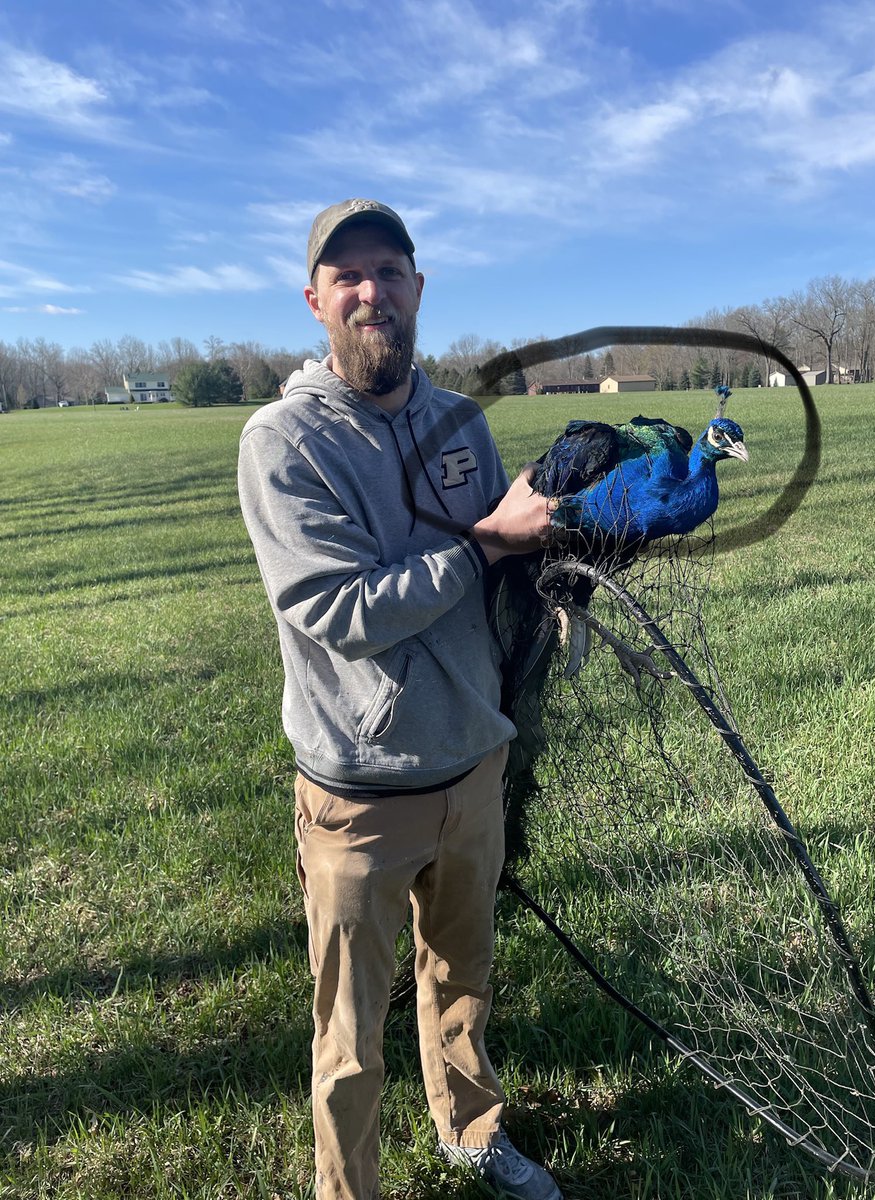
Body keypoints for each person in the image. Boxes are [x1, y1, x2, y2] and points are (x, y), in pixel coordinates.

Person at [237, 199, 561, 1200]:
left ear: (419, 288)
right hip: (359, 794)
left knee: (462, 980)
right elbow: (336, 609)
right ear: (316, 301)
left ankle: (470, 1129)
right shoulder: (284, 442)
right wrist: (484, 545)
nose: (372, 290)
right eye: (349, 276)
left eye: (390, 269)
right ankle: (351, 1190)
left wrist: (561, 556)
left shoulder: (462, 422)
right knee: (349, 1032)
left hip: (473, 764)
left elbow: (503, 570)